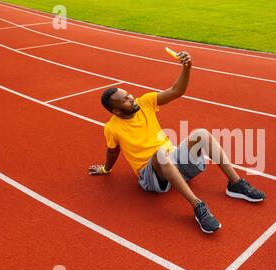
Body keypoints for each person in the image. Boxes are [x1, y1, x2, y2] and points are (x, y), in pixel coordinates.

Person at [89, 51, 265, 233]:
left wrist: (187, 67)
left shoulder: (146, 102)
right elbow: (112, 151)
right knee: (160, 155)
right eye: (124, 100)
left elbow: (177, 91)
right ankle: (198, 206)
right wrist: (105, 169)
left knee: (202, 134)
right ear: (117, 111)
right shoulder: (112, 128)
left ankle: (235, 183)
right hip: (150, 175)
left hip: (172, 159)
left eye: (128, 94)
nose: (131, 98)